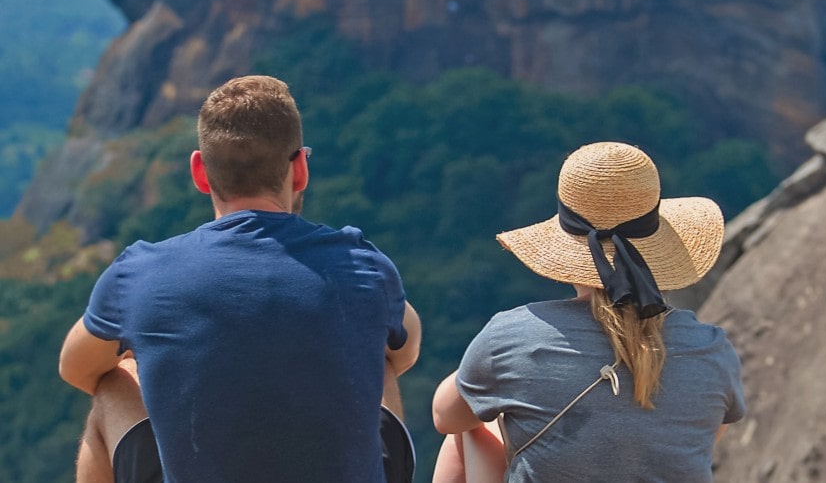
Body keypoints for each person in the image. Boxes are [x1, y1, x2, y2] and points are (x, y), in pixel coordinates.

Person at [59, 74, 421, 483]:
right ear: (300, 168)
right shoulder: (364, 266)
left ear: (199, 171)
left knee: (113, 382)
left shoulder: (139, 274)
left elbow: (76, 369)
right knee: (381, 355)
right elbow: (406, 349)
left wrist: (148, 354)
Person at [432, 141, 744, 483]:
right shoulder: (713, 350)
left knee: (472, 425)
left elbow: (445, 417)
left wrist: (492, 362)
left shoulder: (512, 334)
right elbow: (705, 439)